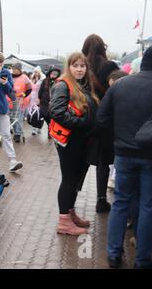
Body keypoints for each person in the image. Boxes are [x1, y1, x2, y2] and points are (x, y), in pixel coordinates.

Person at [97, 45, 152, 269]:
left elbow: (101, 119)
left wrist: (119, 136)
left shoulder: (121, 85)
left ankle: (114, 254)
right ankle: (143, 260)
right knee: (149, 206)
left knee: (121, 202)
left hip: (123, 154)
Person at [50, 52, 99, 236]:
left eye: (82, 66)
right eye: (75, 65)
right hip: (70, 141)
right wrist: (83, 123)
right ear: (68, 67)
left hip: (80, 140)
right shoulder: (63, 84)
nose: (79, 69)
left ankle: (70, 214)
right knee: (69, 180)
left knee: (75, 179)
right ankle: (64, 222)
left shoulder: (82, 85)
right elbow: (57, 112)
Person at [82, 34, 119, 213]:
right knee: (104, 161)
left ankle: (71, 200)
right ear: (103, 47)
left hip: (83, 118)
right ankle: (101, 199)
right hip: (105, 119)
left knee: (79, 160)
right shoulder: (110, 66)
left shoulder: (79, 66)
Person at [10, 62, 32, 143]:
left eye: (15, 69)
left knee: (18, 118)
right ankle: (13, 129)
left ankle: (18, 134)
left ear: (19, 69)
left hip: (20, 101)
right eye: (13, 69)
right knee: (11, 117)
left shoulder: (24, 77)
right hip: (9, 100)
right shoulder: (9, 76)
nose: (14, 70)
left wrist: (24, 95)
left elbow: (29, 88)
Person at [38, 67, 62, 138]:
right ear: (50, 73)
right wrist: (39, 98)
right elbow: (40, 90)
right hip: (44, 102)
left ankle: (50, 131)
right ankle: (49, 125)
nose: (54, 75)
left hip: (54, 103)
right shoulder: (45, 81)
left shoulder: (59, 82)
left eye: (55, 74)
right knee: (45, 116)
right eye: (52, 73)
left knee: (52, 118)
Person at [29, 66, 46, 136]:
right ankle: (34, 128)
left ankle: (39, 127)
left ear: (39, 72)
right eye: (34, 72)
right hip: (32, 98)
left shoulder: (43, 79)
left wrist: (41, 98)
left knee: (39, 114)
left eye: (36, 72)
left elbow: (44, 90)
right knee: (33, 114)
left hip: (39, 98)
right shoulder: (32, 78)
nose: (35, 73)